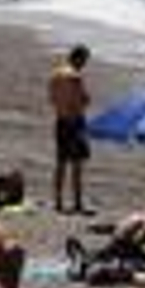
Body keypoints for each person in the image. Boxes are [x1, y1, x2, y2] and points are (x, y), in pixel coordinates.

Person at [49, 45, 93, 215]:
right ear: (79, 58)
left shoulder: (55, 75)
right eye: (84, 60)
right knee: (76, 164)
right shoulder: (75, 77)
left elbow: (52, 99)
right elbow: (83, 99)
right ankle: (77, 202)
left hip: (60, 120)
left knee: (60, 163)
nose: (84, 65)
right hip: (75, 122)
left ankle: (58, 201)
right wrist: (84, 101)